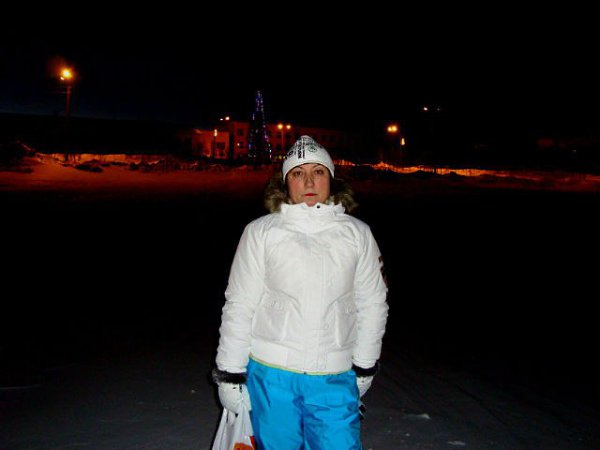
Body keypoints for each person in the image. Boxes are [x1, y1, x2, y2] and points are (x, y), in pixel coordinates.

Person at [212, 135, 388, 449]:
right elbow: (240, 304)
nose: (308, 181)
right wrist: (230, 372)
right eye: (297, 173)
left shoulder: (358, 234)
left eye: (318, 171)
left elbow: (373, 303)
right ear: (285, 182)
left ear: (331, 179)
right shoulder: (261, 233)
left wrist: (365, 363)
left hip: (334, 375)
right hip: (272, 376)